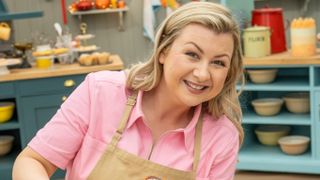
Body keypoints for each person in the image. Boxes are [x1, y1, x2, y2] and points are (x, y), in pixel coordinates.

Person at [13, 1, 244, 180]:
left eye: (218, 62)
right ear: (163, 51)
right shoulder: (101, 93)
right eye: (192, 54)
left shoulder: (222, 137)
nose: (203, 74)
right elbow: (33, 161)